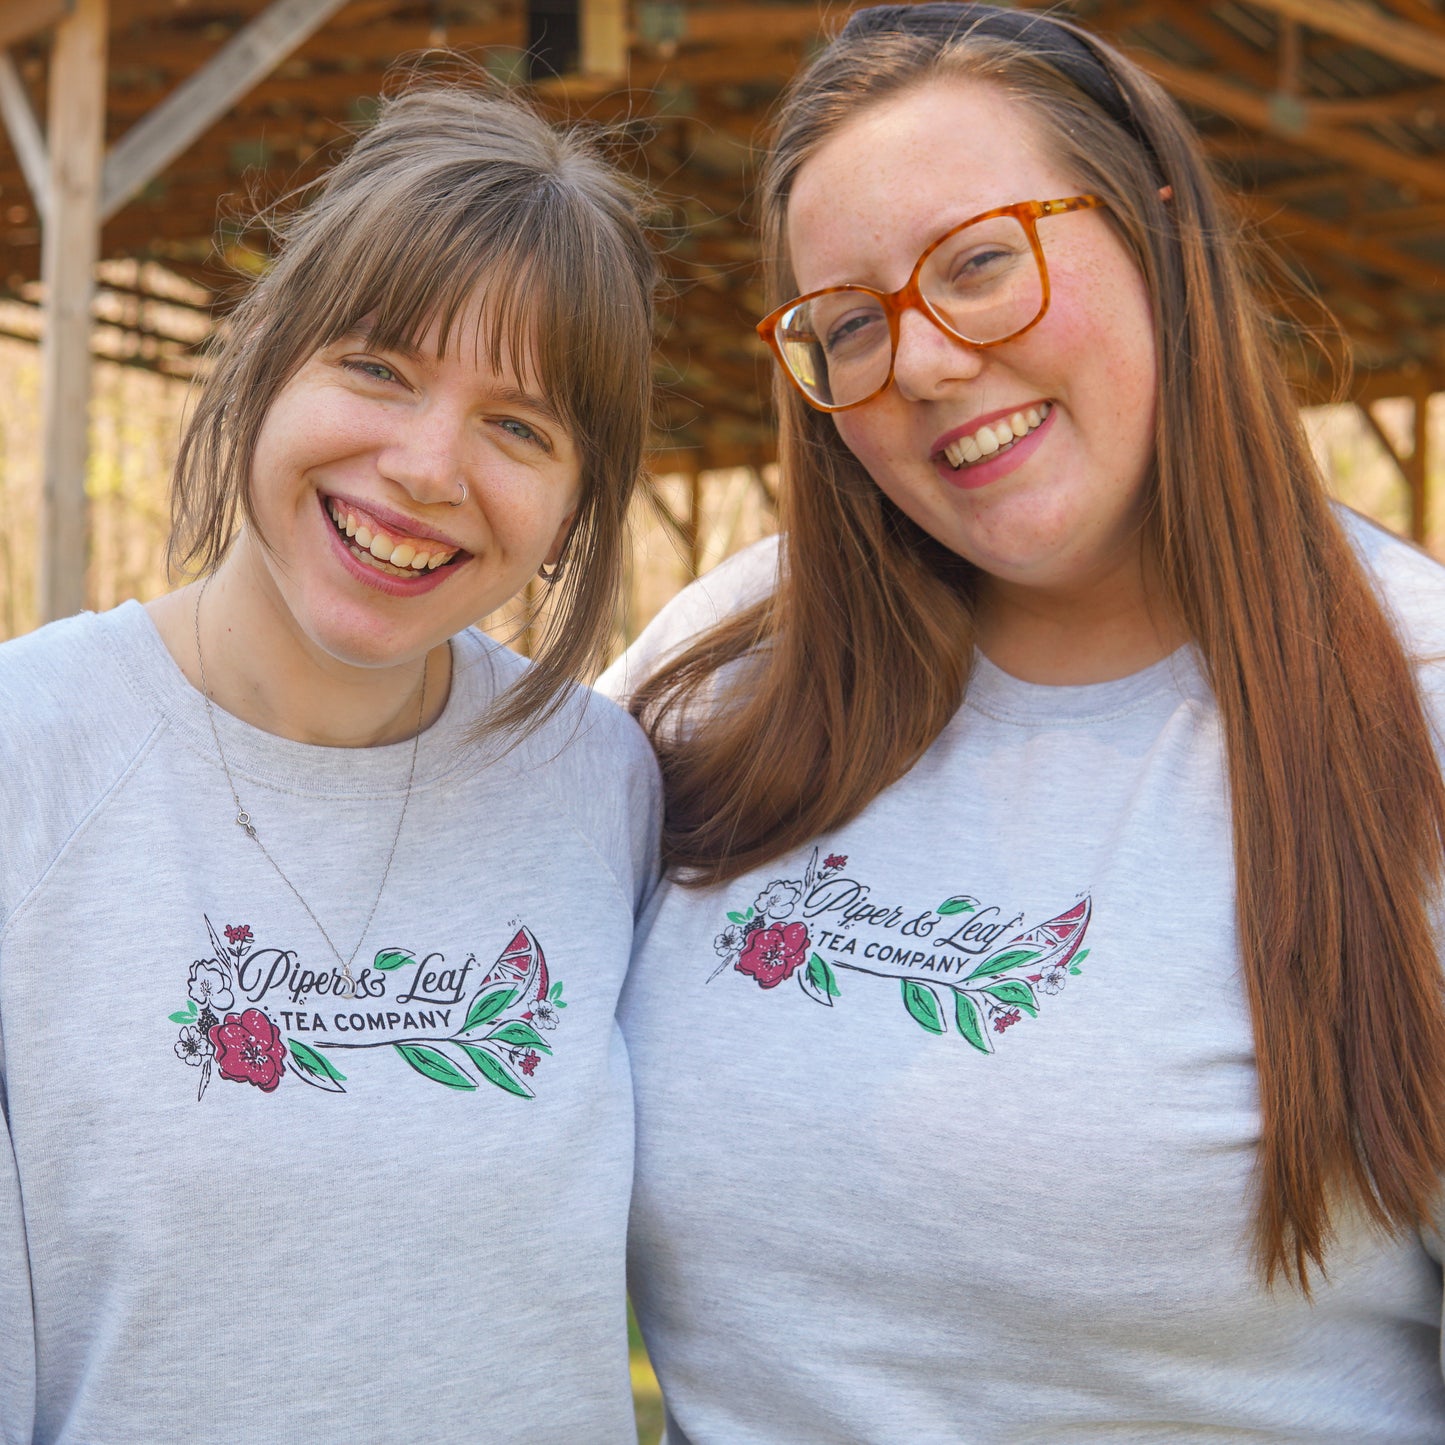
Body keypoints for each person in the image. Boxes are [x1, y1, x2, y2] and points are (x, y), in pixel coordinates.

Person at [603, 5, 1445, 1440]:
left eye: (981, 262)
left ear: (1159, 235)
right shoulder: (714, 676)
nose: (922, 363)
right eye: (850, 325)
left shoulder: (1409, 712)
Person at [0, 81, 659, 1443]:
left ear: (571, 508)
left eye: (519, 426)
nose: (425, 465)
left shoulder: (603, 782)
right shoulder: (32, 757)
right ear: (264, 355)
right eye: (377, 366)